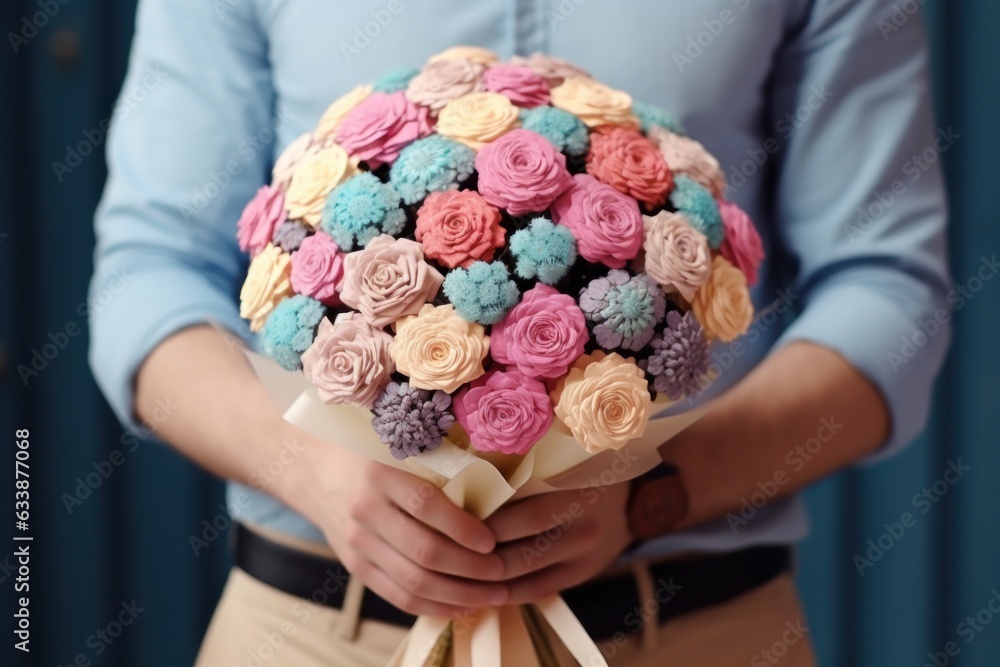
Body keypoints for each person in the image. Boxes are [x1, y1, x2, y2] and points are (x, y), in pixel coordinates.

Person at [88, 0, 949, 665]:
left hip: (690, 629)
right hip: (318, 629)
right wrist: (311, 469)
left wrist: (654, 493)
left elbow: (889, 288)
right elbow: (147, 276)